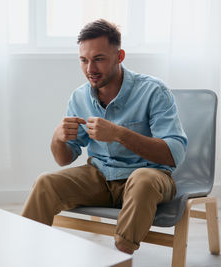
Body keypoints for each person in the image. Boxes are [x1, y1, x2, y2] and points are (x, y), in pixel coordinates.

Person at [21, 19, 188, 255]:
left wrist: (119, 134)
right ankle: (24, 254)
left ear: (119, 56)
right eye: (84, 60)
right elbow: (64, 159)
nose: (90, 69)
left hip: (151, 177)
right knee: (45, 182)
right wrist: (57, 139)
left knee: (143, 179)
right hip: (101, 177)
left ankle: (120, 256)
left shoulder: (153, 91)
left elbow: (174, 154)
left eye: (99, 59)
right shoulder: (79, 97)